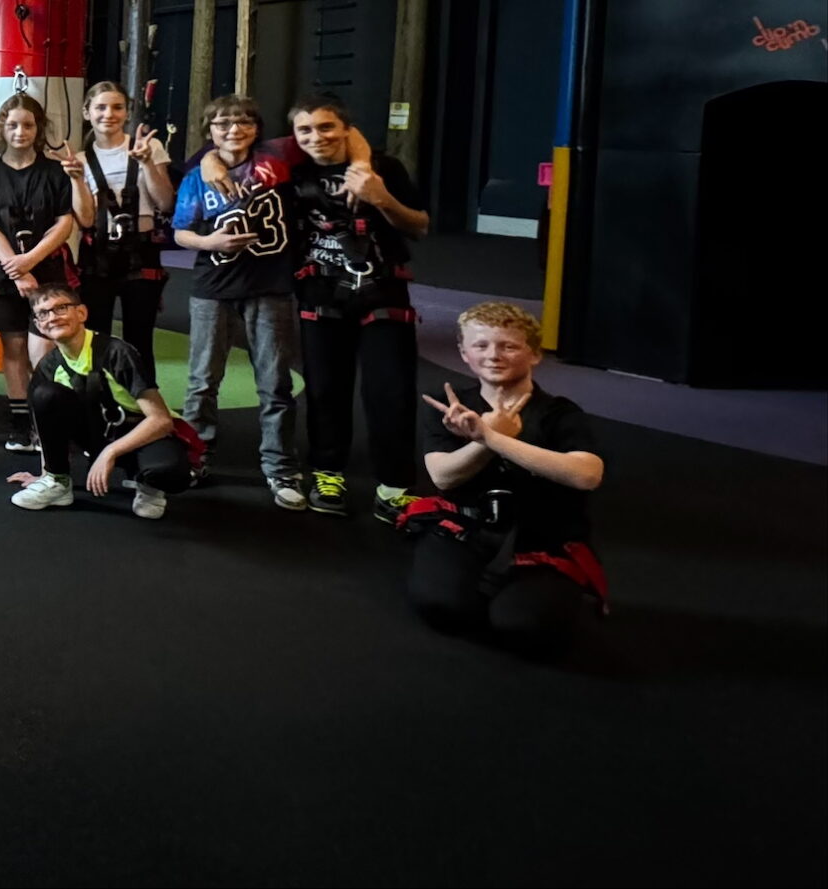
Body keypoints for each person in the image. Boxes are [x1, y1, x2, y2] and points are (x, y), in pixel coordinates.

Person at [405, 302, 605, 660]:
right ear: (464, 354)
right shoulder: (451, 407)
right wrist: (484, 441)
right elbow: (443, 477)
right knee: (441, 608)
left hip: (541, 539)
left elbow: (586, 475)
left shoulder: (559, 413)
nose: (493, 355)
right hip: (465, 528)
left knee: (523, 627)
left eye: (508, 346)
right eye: (480, 345)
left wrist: (494, 438)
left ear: (534, 354)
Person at [282, 93, 429, 520]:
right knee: (325, 388)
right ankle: (328, 472)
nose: (317, 137)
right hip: (320, 293)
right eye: (305, 130)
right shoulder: (292, 172)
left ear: (347, 129)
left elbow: (419, 226)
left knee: (390, 388)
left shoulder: (384, 169)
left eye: (326, 127)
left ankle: (395, 484)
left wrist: (381, 197)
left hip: (382, 292)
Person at [170, 93, 306, 508]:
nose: (234, 130)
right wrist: (209, 242)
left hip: (269, 285)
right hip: (213, 286)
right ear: (209, 132)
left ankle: (280, 466)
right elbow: (180, 232)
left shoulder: (276, 164)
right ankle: (196, 455)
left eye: (244, 122)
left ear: (257, 128)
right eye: (223, 124)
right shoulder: (197, 176)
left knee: (275, 381)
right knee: (202, 380)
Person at [4, 282, 203, 520]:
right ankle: (57, 482)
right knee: (44, 395)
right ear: (38, 326)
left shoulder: (117, 352)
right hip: (96, 432)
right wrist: (46, 473)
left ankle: (148, 484)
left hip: (142, 433)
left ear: (81, 313)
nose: (53, 317)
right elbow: (47, 420)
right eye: (43, 313)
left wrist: (111, 451)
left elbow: (161, 420)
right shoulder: (49, 365)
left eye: (61, 308)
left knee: (168, 472)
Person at [0, 91, 93, 454]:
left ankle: (48, 419)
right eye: (12, 125)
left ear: (38, 128)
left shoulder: (55, 172)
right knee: (13, 348)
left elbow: (65, 222)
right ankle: (20, 420)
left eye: (27, 125)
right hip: (5, 273)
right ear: (2, 129)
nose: (20, 132)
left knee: (43, 350)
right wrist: (16, 269)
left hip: (49, 271)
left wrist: (30, 261)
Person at [73, 82, 173, 370]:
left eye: (117, 107)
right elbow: (86, 220)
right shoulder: (80, 160)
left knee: (140, 339)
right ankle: (98, 393)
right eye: (101, 108)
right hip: (98, 253)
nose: (109, 114)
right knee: (95, 336)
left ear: (127, 113)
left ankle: (141, 395)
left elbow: (165, 202)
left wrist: (147, 163)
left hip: (141, 251)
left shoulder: (149, 147)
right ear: (87, 112)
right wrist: (76, 179)